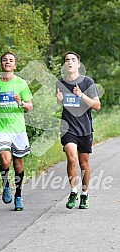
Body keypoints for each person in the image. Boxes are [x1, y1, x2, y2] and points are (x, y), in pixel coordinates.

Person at [0, 51, 33, 211]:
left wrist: (21, 103)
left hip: (18, 130)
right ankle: (6, 185)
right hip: (2, 128)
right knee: (5, 160)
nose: (7, 62)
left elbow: (30, 106)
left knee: (18, 164)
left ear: (15, 65)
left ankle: (18, 196)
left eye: (11, 60)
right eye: (5, 60)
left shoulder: (21, 83)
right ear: (1, 63)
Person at [56, 51, 101, 209]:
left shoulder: (88, 82)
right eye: (67, 60)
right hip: (68, 128)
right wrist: (59, 101)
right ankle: (73, 191)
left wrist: (81, 95)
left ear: (78, 64)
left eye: (73, 60)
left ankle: (84, 193)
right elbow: (62, 103)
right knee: (71, 157)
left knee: (83, 164)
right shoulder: (60, 83)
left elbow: (97, 106)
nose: (69, 62)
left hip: (85, 128)